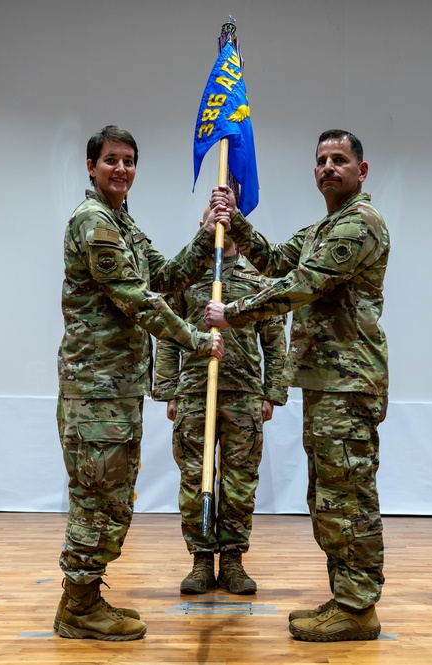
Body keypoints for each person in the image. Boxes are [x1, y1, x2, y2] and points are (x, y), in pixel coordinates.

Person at [205, 130, 390, 642]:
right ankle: (346, 599)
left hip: (349, 383)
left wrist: (233, 313)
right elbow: (274, 260)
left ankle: (357, 607)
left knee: (348, 495)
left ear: (362, 170)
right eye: (321, 161)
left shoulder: (359, 225)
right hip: (327, 382)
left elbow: (301, 284)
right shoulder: (323, 228)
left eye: (340, 160)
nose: (329, 167)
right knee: (328, 496)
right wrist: (233, 217)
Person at [54, 125, 226, 641]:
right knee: (95, 496)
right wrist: (195, 338)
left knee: (114, 496)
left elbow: (168, 276)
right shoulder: (94, 223)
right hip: (95, 390)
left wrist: (208, 231)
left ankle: (85, 598)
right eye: (111, 160)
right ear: (91, 167)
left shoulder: (124, 224)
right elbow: (136, 297)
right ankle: (77, 607)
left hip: (119, 388)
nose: (122, 169)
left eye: (129, 160)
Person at [153, 207, 288, 596]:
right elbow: (167, 336)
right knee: (195, 479)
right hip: (195, 391)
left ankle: (232, 561)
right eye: (214, 220)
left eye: (229, 223)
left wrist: (272, 392)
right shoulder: (186, 277)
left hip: (245, 394)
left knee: (240, 482)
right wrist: (169, 390)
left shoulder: (257, 279)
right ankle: (199, 561)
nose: (221, 228)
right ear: (202, 226)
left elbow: (275, 339)